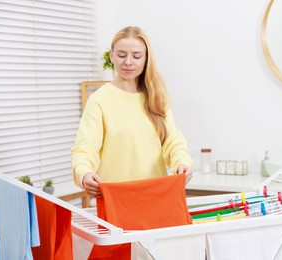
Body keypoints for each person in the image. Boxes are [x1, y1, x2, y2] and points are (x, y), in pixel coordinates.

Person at [71, 26, 193, 198]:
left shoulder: (156, 97)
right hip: (115, 199)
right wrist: (84, 173)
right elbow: (85, 148)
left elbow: (172, 140)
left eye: (136, 56)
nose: (128, 61)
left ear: (146, 59)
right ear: (111, 55)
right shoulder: (99, 100)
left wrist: (182, 161)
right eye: (121, 55)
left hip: (155, 196)